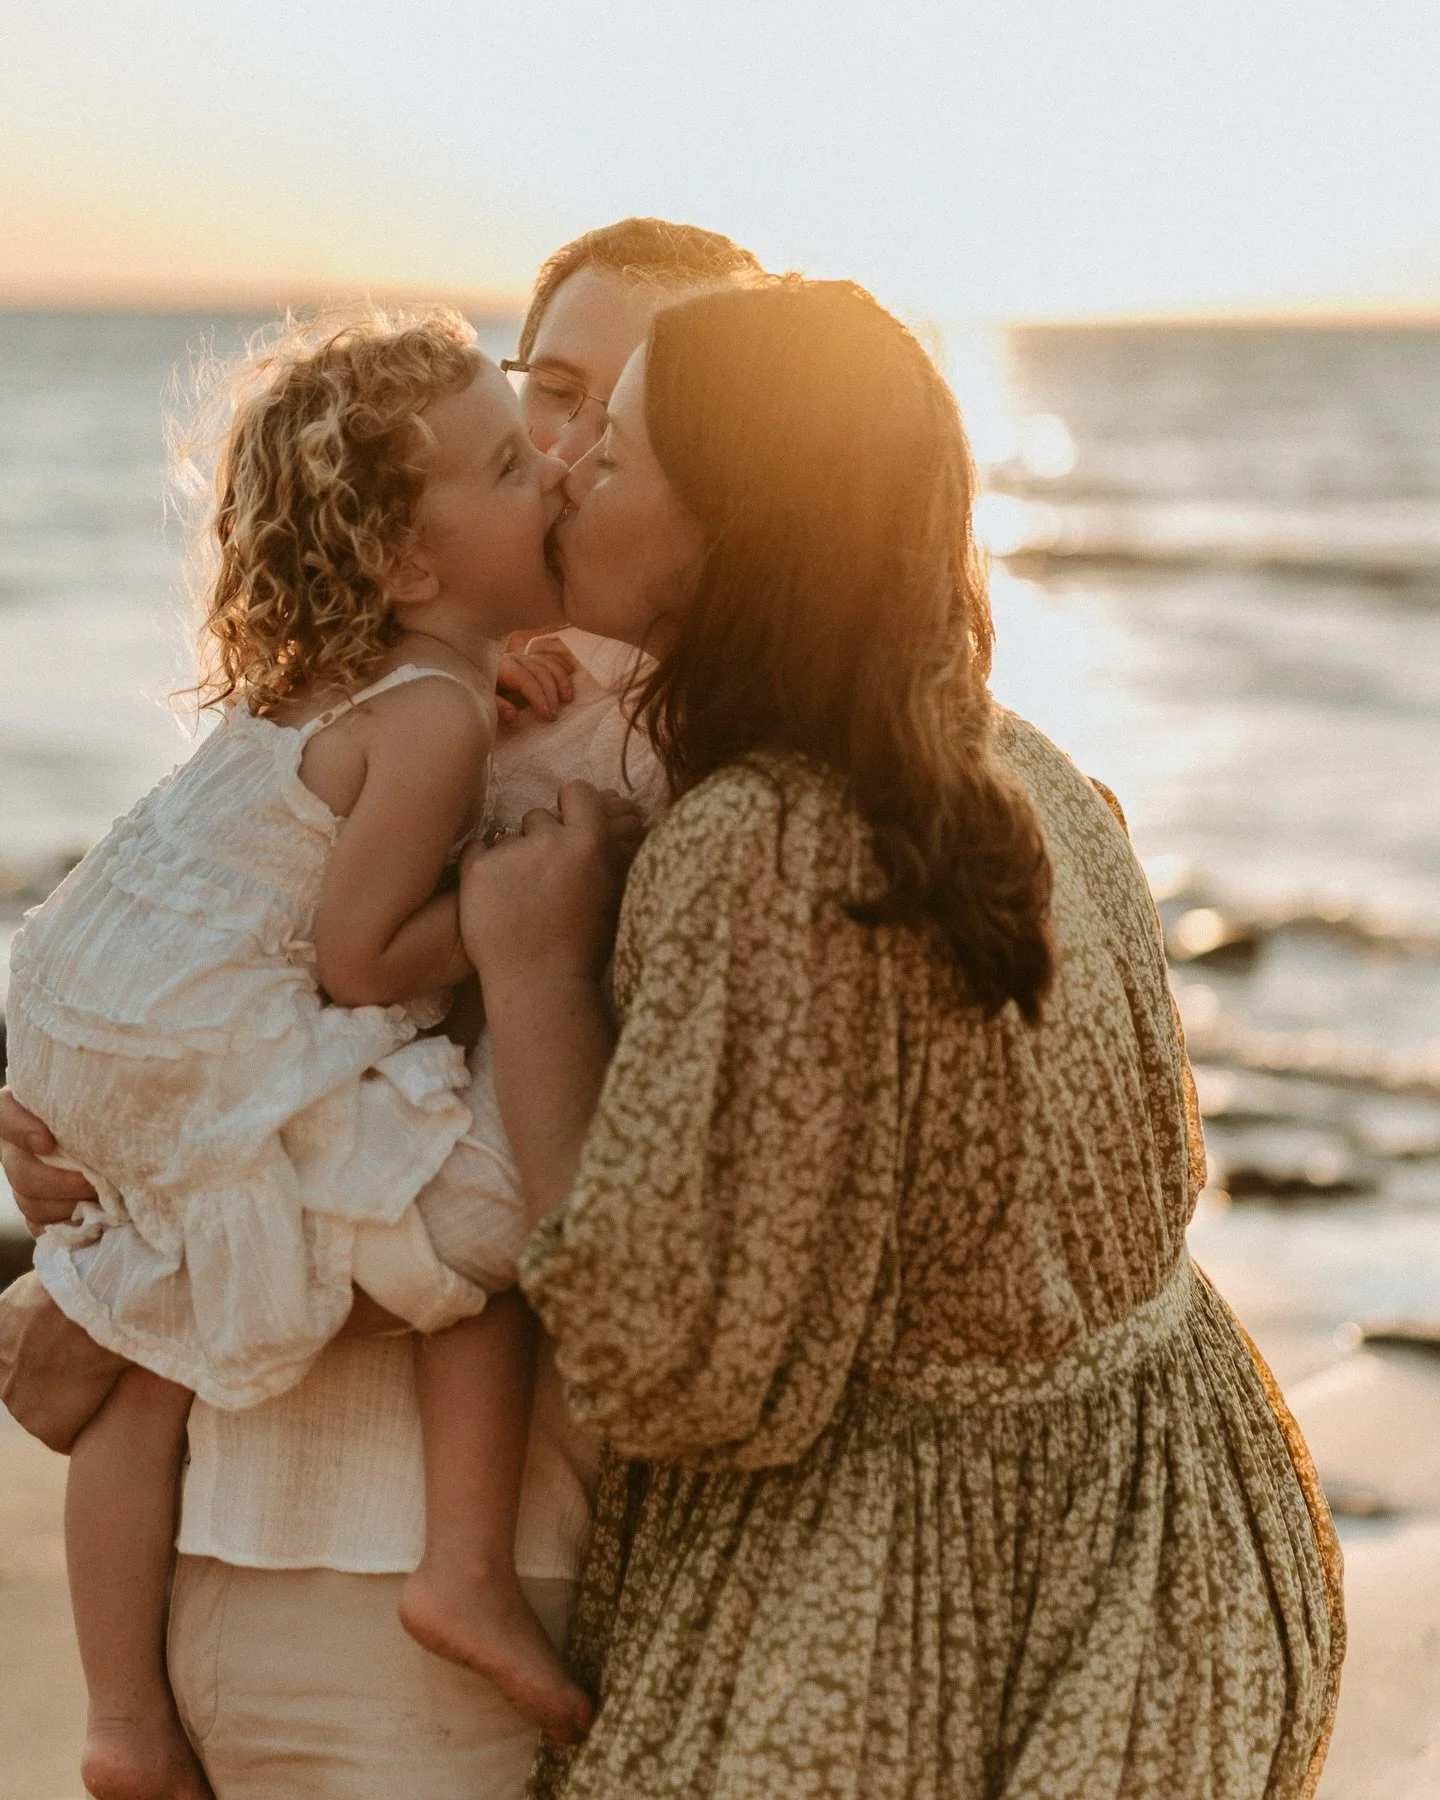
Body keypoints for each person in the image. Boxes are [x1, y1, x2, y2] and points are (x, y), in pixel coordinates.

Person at [456, 276, 1346, 1798]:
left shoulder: (769, 849)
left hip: (914, 1624)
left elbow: (662, 1370)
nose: (571, 472)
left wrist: (534, 970)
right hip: (1192, 1552)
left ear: (728, 535)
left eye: (616, 460)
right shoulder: (1032, 772)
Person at [0, 218, 763, 1800]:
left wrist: (115, 1272)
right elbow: (184, 935)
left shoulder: (705, 764)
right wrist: (70, 1151)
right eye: (542, 394)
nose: (563, 456)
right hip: (275, 1568)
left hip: (466, 1585)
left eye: (623, 418)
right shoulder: (428, 685)